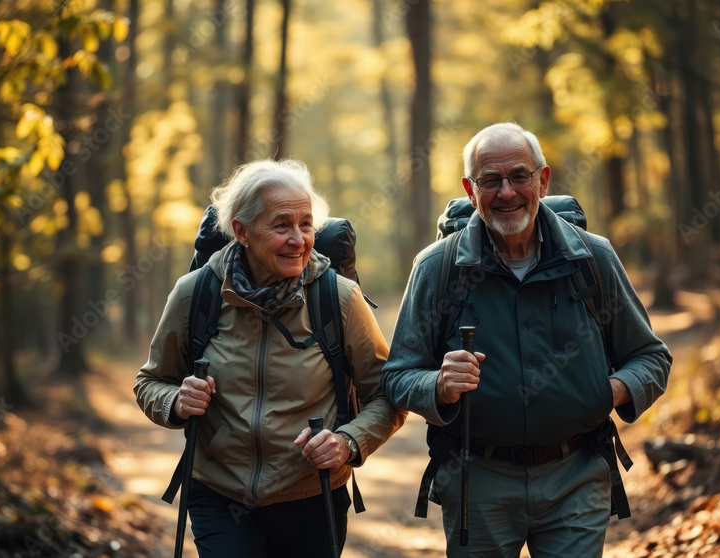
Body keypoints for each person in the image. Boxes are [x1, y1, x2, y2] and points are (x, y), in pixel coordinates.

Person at [382, 122, 672, 558]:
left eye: (520, 176)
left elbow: (650, 357)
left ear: (543, 179)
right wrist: (438, 386)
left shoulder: (592, 258)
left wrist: (606, 393)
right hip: (476, 482)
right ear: (469, 189)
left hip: (576, 479)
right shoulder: (437, 268)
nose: (507, 193)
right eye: (490, 180)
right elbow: (398, 376)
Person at [135, 158, 406, 557]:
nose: (298, 239)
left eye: (306, 224)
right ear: (242, 232)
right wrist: (175, 401)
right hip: (219, 495)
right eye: (282, 225)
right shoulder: (196, 294)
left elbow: (387, 395)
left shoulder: (339, 298)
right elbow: (150, 382)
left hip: (313, 498)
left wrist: (347, 442)